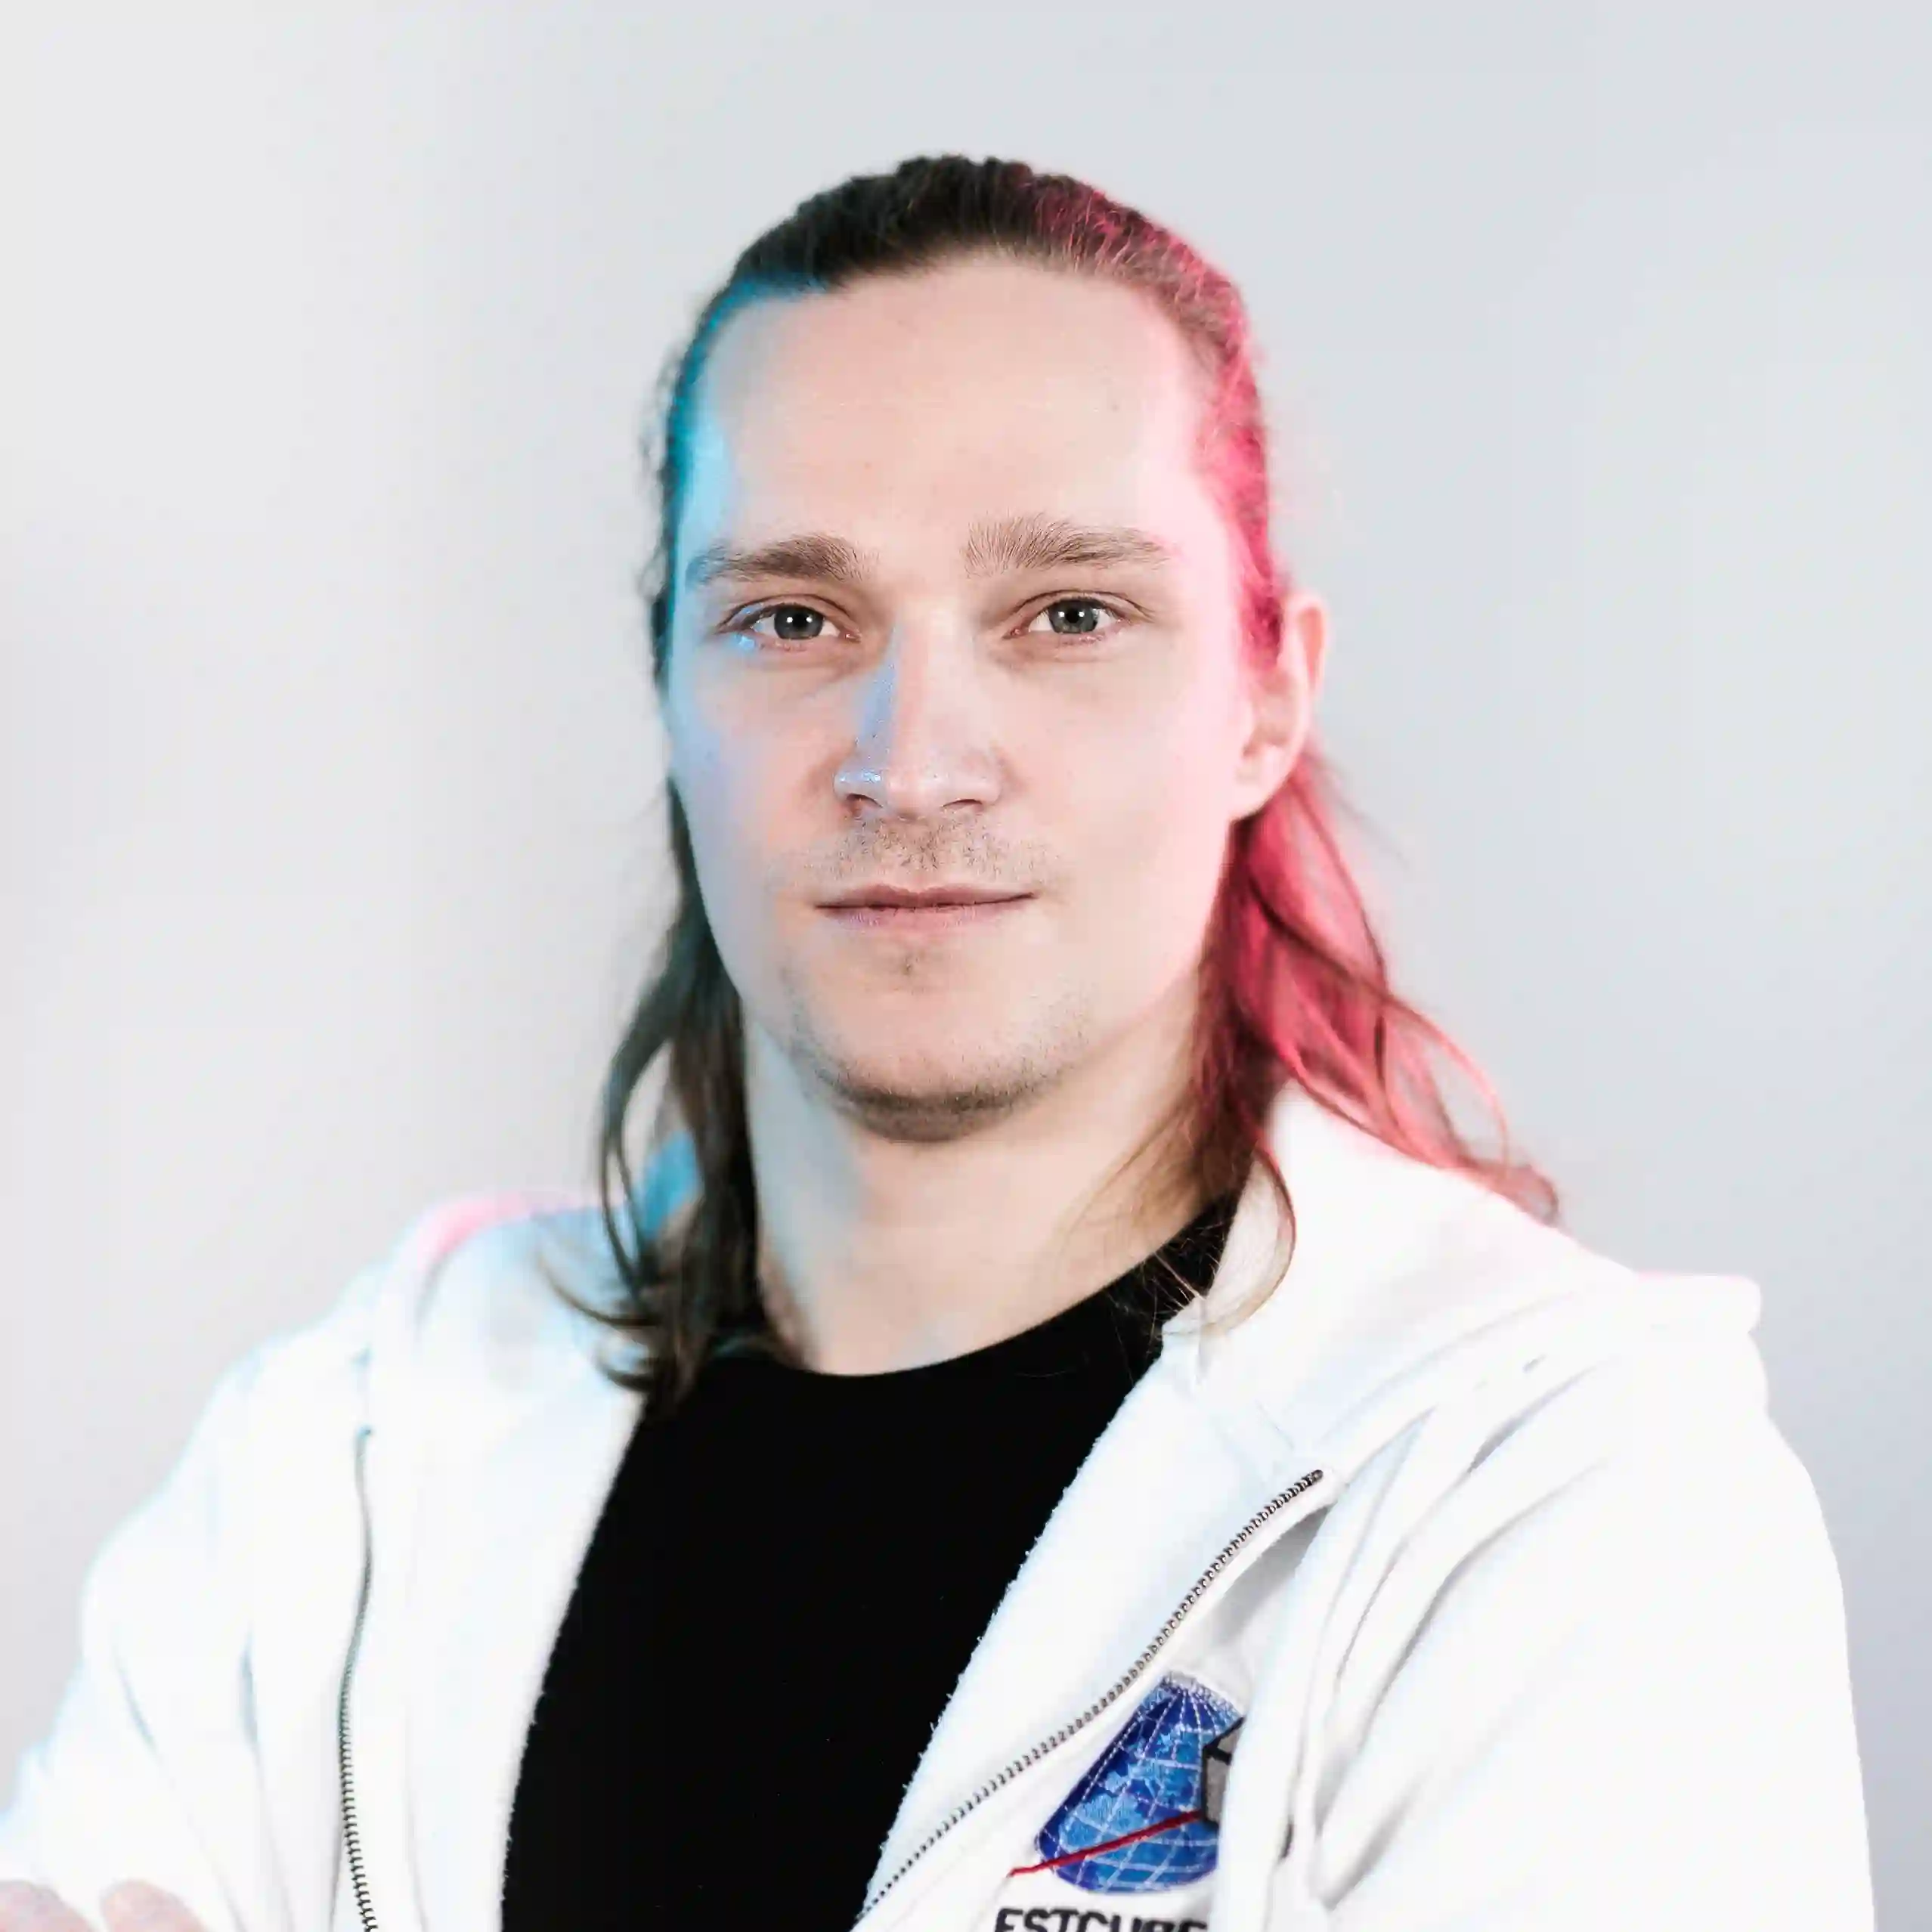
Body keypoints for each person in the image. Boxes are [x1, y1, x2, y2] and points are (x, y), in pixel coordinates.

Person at [0, 155, 1872, 1932]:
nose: (910, 760)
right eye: (792, 617)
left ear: (1265, 700)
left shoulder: (1546, 1495)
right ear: (667, 687)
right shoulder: (350, 1453)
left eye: (1068, 614)